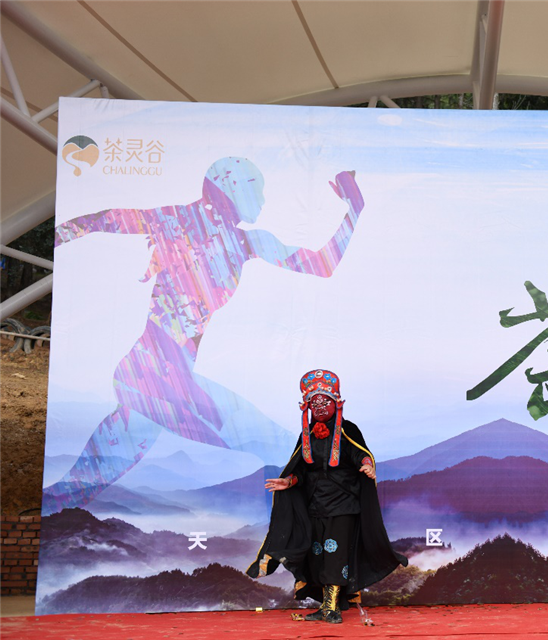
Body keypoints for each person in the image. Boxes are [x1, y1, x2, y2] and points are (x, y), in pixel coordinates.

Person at [43, 158, 364, 515]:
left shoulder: (244, 241)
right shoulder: (178, 220)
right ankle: (313, 522)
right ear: (231, 187)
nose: (262, 199)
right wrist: (56, 243)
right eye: (256, 188)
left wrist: (354, 210)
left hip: (155, 379)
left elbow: (322, 264)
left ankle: (49, 513)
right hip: (162, 379)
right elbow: (101, 220)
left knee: (87, 479)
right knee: (274, 441)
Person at [248, 369, 407, 623]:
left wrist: (367, 465)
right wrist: (288, 481)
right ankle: (326, 606)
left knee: (335, 554)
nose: (320, 407)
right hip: (315, 506)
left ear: (336, 403)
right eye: (315, 403)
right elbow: (302, 470)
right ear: (307, 407)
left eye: (325, 402)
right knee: (318, 555)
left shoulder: (348, 430)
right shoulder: (307, 435)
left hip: (343, 504)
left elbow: (360, 454)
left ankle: (331, 609)